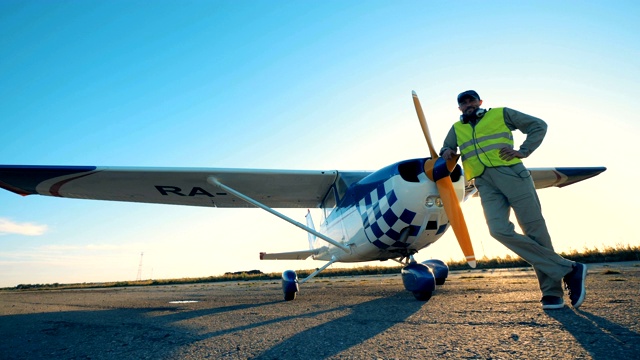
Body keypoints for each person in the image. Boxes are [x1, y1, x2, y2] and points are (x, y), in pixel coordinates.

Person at [440, 90, 587, 310]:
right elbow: (446, 148)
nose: (468, 104)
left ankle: (552, 293)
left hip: (512, 174)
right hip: (484, 183)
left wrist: (523, 151)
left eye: (471, 100)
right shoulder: (456, 128)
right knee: (497, 230)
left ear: (480, 102)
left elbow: (539, 125)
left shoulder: (501, 114)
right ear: (459, 107)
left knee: (535, 231)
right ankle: (569, 269)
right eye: (463, 102)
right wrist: (447, 151)